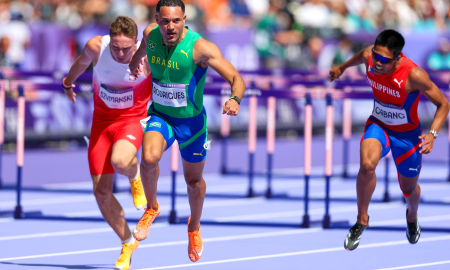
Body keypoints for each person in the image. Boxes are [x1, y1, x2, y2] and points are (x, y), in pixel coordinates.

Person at [128, 0, 246, 262]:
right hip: (161, 116)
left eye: (176, 21)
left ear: (184, 19)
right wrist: (135, 62)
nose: (170, 27)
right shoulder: (150, 34)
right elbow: (142, 50)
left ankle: (194, 227)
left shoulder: (200, 47)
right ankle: (152, 208)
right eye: (165, 21)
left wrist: (234, 100)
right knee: (148, 159)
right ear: (157, 19)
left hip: (192, 125)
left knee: (193, 183)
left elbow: (237, 79)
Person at [329, 29, 450, 251]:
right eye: (376, 55)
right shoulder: (369, 56)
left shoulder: (414, 75)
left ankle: (411, 216)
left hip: (408, 136)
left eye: (384, 60)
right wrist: (341, 68)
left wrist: (432, 134)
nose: (377, 62)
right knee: (367, 166)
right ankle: (362, 220)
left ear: (397, 58)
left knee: (409, 190)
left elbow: (444, 104)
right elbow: (362, 55)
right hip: (379, 124)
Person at [63, 16, 152, 269]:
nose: (121, 53)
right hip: (101, 123)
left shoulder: (147, 57)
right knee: (101, 192)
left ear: (137, 42)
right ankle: (127, 243)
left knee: (121, 160)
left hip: (132, 120)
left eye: (127, 48)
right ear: (109, 41)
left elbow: (157, 30)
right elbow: (80, 64)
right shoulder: (95, 47)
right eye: (116, 47)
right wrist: (67, 83)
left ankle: (134, 173)